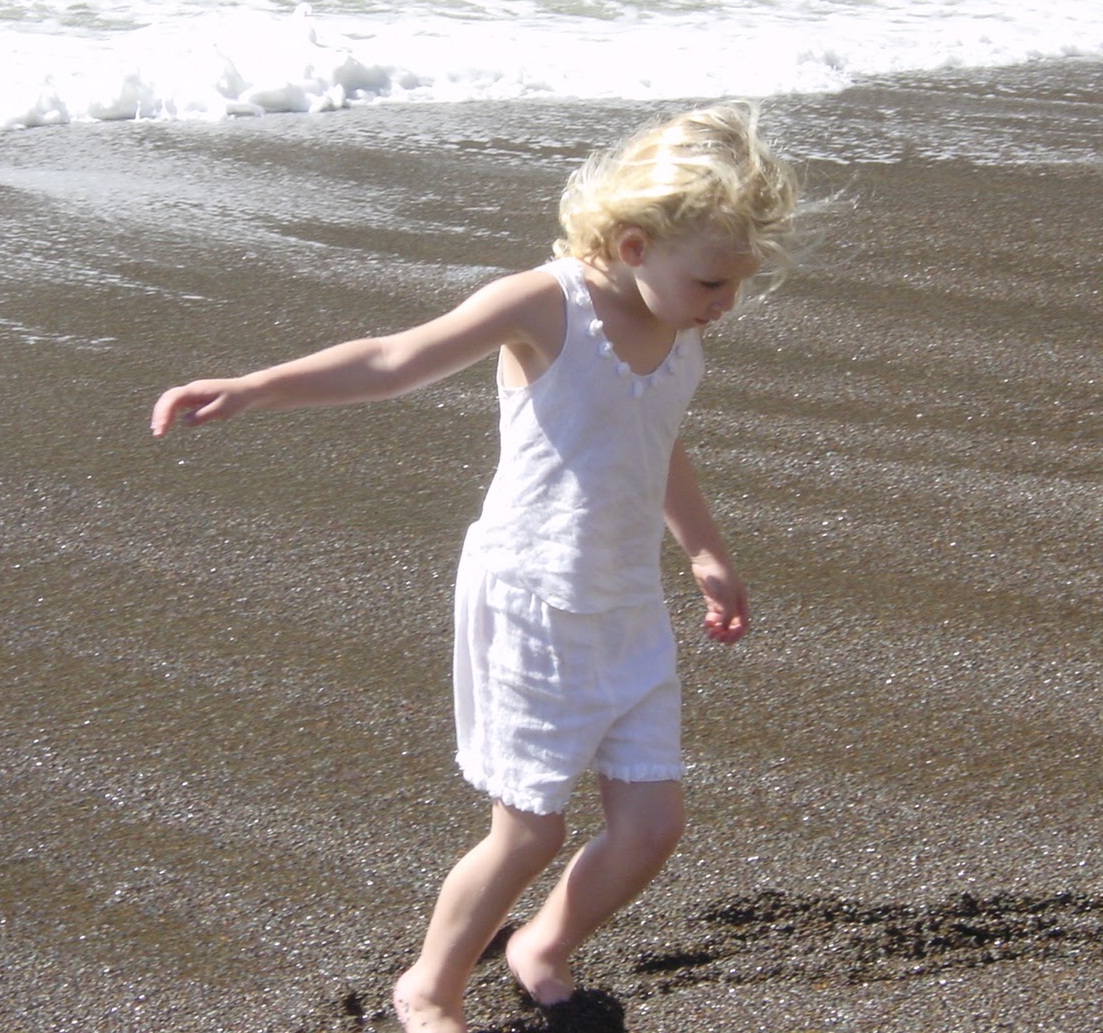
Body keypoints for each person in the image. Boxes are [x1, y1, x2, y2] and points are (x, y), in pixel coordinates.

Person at [150, 102, 800, 1032]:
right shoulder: (544, 304)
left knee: (653, 826)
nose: (724, 304)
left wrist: (704, 550)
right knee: (529, 829)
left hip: (625, 607)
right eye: (712, 282)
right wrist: (255, 388)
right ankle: (430, 983)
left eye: (736, 283)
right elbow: (393, 360)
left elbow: (657, 441)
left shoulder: (679, 320)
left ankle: (543, 945)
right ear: (632, 246)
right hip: (533, 599)